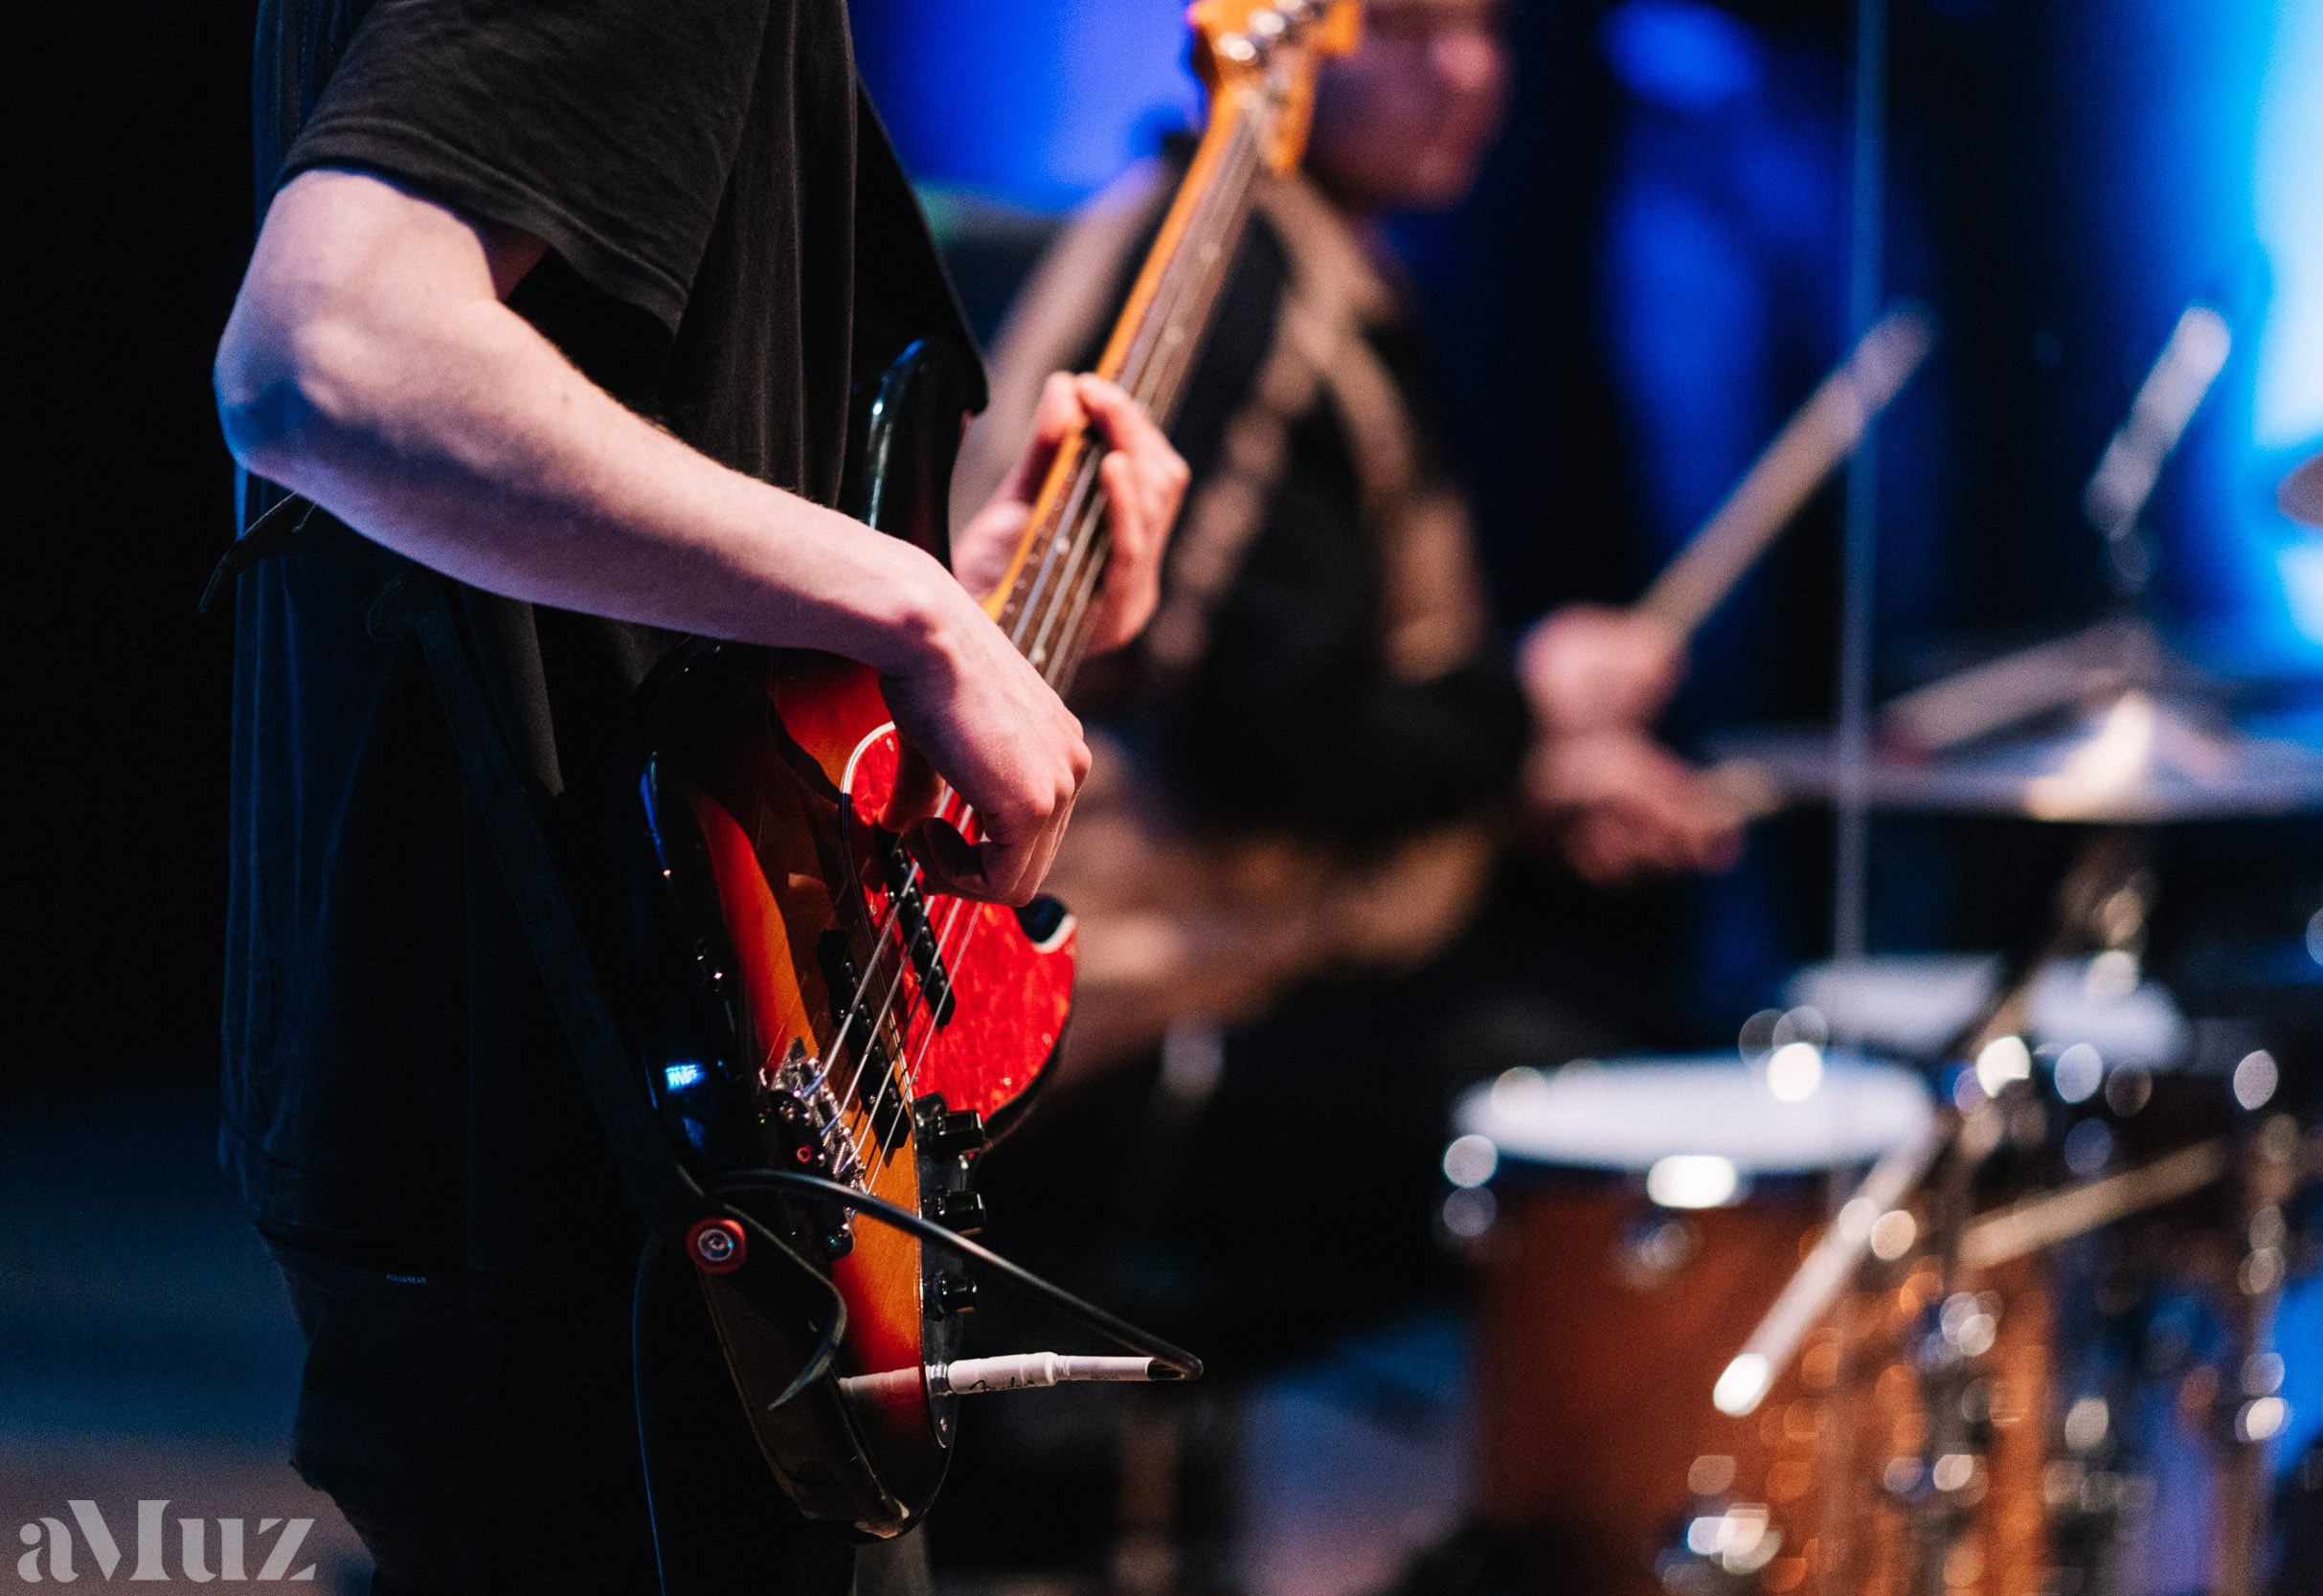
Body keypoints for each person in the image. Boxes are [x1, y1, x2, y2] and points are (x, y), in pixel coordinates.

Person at [210, 0, 1187, 1588]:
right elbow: (327, 356)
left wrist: (961, 609)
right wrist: (911, 609)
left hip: (597, 1116)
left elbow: (595, 495)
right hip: (598, 1147)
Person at [918, 0, 1742, 1577]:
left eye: (1491, 30)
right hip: (1111, 1034)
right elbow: (1251, 743)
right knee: (1602, 1136)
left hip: (1184, 972)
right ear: (1290, 39)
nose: (1474, 71)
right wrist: (1524, 710)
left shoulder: (1268, 250)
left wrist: (1529, 780)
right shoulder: (1237, 288)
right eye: (1415, 28)